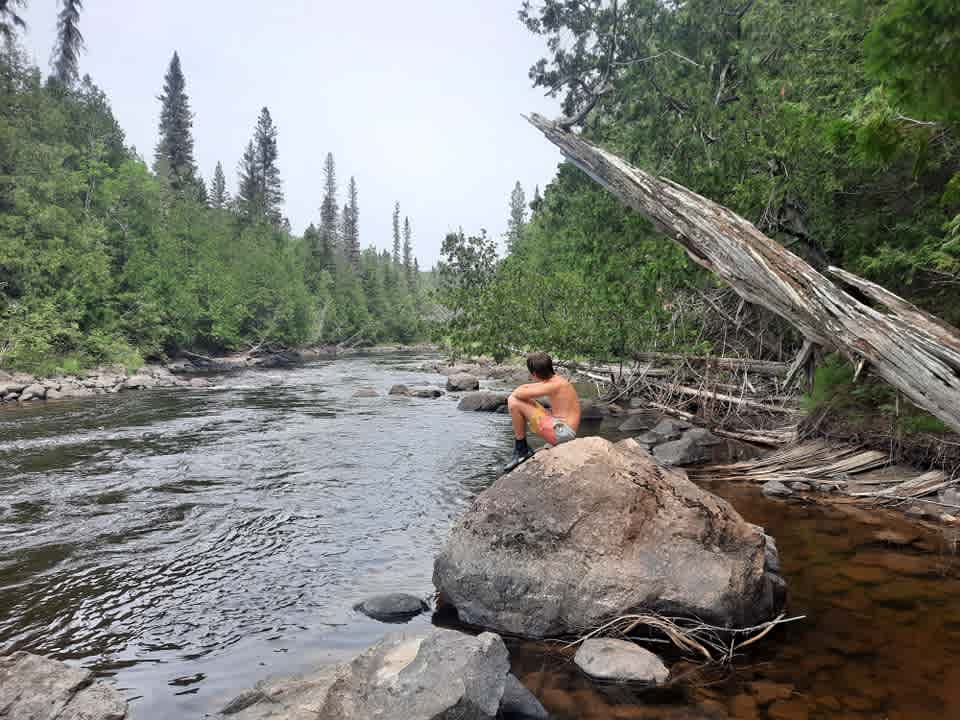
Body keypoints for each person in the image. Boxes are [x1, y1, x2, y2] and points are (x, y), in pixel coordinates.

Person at [504, 351, 581, 472]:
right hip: (562, 428)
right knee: (526, 401)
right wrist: (525, 388)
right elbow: (524, 391)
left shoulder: (553, 385)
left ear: (534, 374)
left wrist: (522, 388)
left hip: (563, 433)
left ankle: (521, 450)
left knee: (513, 401)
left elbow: (518, 393)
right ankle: (522, 449)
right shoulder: (556, 380)